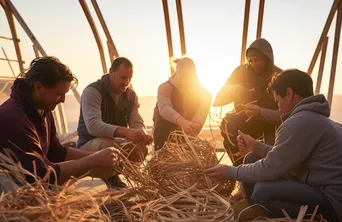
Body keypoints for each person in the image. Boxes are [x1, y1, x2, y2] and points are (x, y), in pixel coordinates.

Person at [205, 69, 342, 222]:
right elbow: (285, 156)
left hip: (332, 206)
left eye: (278, 101)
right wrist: (255, 146)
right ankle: (258, 211)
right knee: (251, 158)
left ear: (289, 94)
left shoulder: (300, 122)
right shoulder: (316, 119)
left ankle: (262, 218)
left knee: (263, 190)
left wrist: (230, 171)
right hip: (316, 187)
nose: (278, 108)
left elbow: (270, 169)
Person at [0, 56, 119, 192]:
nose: (62, 100)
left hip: (31, 179)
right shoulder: (14, 119)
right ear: (38, 86)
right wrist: (92, 161)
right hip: (10, 191)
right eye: (58, 94)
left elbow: (55, 151)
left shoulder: (43, 109)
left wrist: (94, 156)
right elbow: (41, 177)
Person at [77, 57, 152, 188]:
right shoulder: (93, 91)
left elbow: (136, 122)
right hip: (88, 145)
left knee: (140, 148)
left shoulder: (131, 96)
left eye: (129, 78)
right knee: (109, 146)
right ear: (111, 72)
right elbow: (93, 126)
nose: (126, 82)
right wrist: (126, 132)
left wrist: (142, 134)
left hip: (115, 143)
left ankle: (128, 176)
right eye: (123, 78)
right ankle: (112, 178)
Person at [213, 38, 282, 165]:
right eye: (250, 61)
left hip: (269, 127)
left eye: (257, 60)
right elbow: (217, 100)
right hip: (242, 123)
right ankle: (240, 168)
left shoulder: (279, 76)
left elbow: (285, 116)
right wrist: (235, 90)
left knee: (269, 155)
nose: (253, 64)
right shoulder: (240, 73)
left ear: (267, 58)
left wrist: (260, 112)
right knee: (228, 124)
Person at [153, 57, 211, 150]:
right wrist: (182, 122)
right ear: (177, 72)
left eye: (188, 77)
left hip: (187, 135)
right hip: (165, 135)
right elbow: (165, 108)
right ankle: (161, 151)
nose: (184, 81)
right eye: (181, 77)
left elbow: (200, 116)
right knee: (162, 118)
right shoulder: (165, 87)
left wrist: (196, 125)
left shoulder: (205, 95)